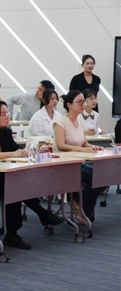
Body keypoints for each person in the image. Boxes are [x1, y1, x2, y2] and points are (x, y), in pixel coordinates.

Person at [0, 101, 65, 249]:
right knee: (13, 187)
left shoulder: (5, 132)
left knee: (15, 185)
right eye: (4, 114)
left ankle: (18, 230)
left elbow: (16, 149)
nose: (8, 116)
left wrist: (27, 151)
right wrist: (13, 154)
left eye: (7, 113)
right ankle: (40, 215)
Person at [53, 90, 105, 221]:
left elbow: (84, 143)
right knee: (93, 177)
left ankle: (78, 203)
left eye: (83, 102)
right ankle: (83, 211)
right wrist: (82, 150)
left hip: (77, 162)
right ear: (69, 105)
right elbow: (61, 146)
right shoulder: (61, 122)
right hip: (63, 164)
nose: (83, 105)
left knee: (102, 175)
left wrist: (93, 147)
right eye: (80, 102)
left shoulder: (80, 122)